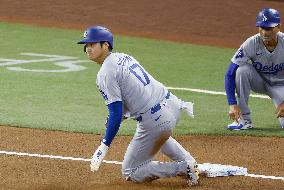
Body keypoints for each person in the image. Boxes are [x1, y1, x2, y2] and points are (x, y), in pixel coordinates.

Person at [77, 26, 199, 186]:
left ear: (105, 45)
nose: (88, 48)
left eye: (92, 44)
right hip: (172, 106)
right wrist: (119, 117)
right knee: (156, 138)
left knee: (130, 171)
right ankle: (190, 162)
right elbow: (133, 95)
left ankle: (184, 167)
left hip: (157, 120)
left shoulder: (105, 73)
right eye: (86, 45)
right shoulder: (123, 57)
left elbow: (115, 113)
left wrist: (104, 145)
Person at [225, 8, 284, 130]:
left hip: (281, 86)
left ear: (279, 27)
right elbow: (230, 73)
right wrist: (232, 104)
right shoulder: (251, 43)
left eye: (269, 28)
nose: (264, 32)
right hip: (260, 82)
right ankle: (244, 120)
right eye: (261, 27)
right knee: (242, 70)